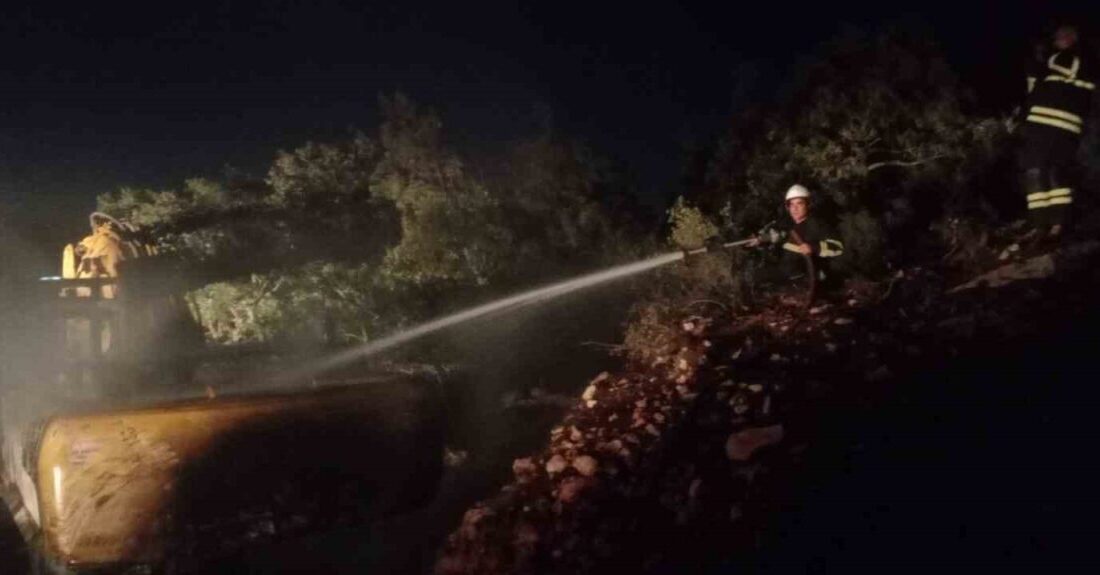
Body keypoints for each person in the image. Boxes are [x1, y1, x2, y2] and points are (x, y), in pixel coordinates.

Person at [1017, 24, 1094, 241]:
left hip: (1053, 123)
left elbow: (1050, 75)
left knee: (1047, 171)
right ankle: (1044, 225)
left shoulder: (1071, 58)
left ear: (1071, 39)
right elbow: (1035, 88)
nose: (1057, 42)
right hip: (1048, 124)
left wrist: (1038, 62)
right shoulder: (1058, 62)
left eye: (1061, 38)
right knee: (1041, 171)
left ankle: (1054, 225)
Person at [750, 184, 845, 299]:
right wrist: (761, 241)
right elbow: (780, 240)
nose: (795, 209)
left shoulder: (816, 225)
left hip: (806, 282)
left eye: (799, 203)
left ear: (808, 205)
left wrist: (814, 247)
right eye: (791, 204)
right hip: (785, 277)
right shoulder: (787, 224)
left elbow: (838, 247)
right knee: (752, 277)